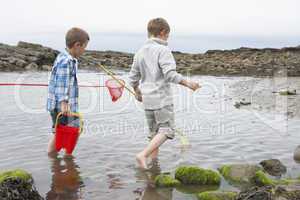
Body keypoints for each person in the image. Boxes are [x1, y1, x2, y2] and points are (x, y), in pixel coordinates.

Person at [128, 18, 200, 169]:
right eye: (168, 35)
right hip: (161, 99)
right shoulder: (163, 50)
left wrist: (137, 92)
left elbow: (133, 78)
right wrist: (188, 83)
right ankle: (143, 155)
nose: (168, 38)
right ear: (163, 32)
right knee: (167, 131)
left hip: (147, 99)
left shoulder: (140, 52)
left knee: (155, 134)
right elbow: (169, 75)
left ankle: (153, 166)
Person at [46, 27, 89, 155]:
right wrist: (64, 102)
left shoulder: (67, 58)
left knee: (64, 132)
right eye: (84, 47)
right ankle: (60, 157)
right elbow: (62, 82)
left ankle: (61, 159)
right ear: (77, 45)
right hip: (62, 106)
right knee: (71, 130)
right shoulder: (66, 61)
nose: (84, 50)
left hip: (63, 106)